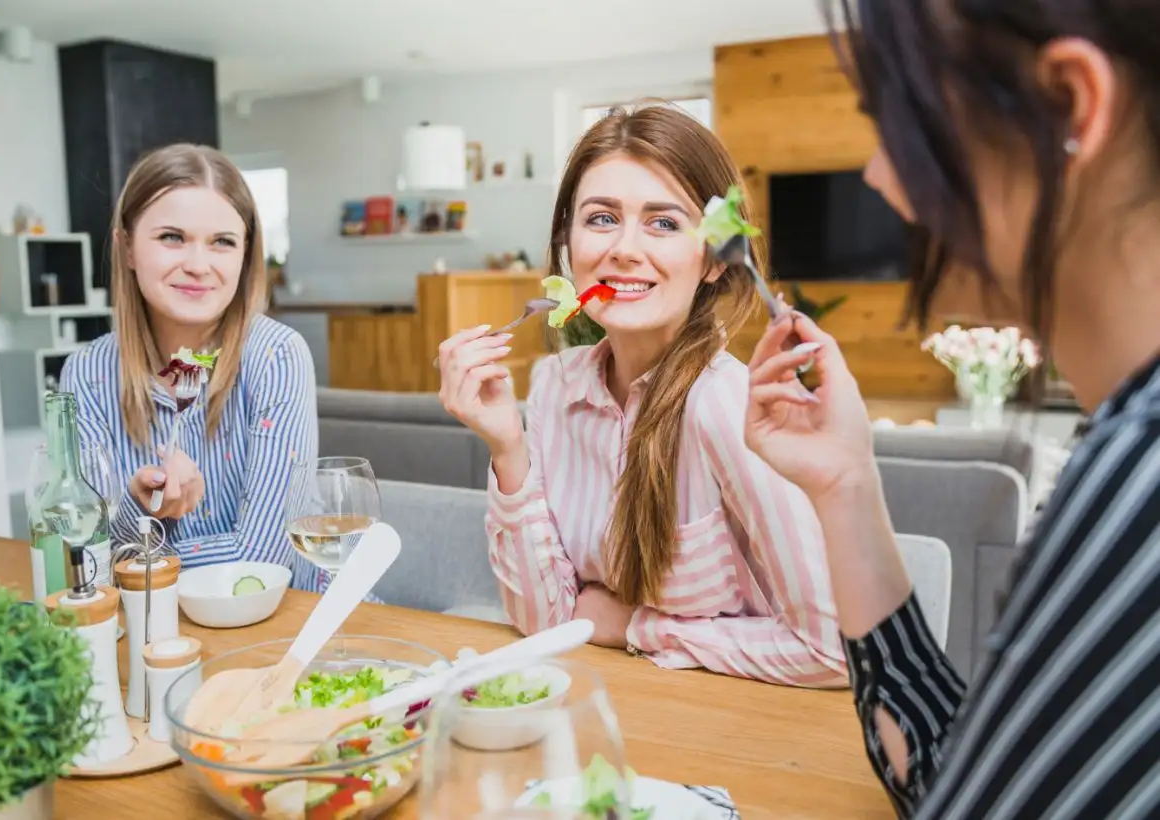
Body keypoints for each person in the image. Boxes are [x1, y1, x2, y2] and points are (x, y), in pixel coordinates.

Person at [745, 1, 1160, 816]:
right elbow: (952, 774)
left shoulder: (1140, 473)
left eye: (903, 124)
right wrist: (846, 487)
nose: (878, 175)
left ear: (1067, 107)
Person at [437, 106, 847, 688]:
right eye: (601, 218)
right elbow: (545, 619)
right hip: (614, 706)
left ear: (711, 260)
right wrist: (507, 446)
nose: (625, 249)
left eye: (663, 223)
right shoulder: (554, 387)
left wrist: (638, 625)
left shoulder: (729, 406)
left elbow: (835, 648)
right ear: (568, 246)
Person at [60, 143, 326, 591]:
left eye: (222, 242)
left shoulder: (276, 356)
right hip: (147, 633)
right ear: (127, 248)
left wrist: (136, 556)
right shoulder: (87, 373)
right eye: (171, 237)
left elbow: (264, 559)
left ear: (244, 257)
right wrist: (138, 509)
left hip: (288, 626)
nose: (198, 265)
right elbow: (85, 563)